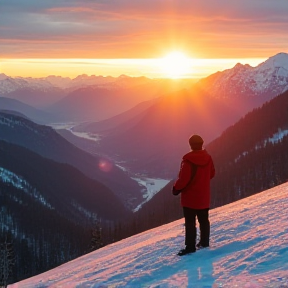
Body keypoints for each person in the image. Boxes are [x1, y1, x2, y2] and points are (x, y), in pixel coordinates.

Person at [172, 134, 215, 256]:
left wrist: (175, 189)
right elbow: (212, 173)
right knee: (204, 220)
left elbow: (183, 179)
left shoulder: (188, 161)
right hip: (203, 196)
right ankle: (204, 242)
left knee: (190, 222)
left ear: (191, 145)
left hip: (190, 198)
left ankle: (190, 247)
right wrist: (202, 181)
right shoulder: (208, 158)